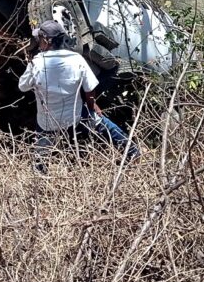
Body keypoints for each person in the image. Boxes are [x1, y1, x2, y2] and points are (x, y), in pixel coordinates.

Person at [18, 20, 140, 173]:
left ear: (45, 41)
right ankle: (131, 151)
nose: (38, 43)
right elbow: (90, 90)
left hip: (48, 123)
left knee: (41, 150)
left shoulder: (36, 64)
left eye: (39, 39)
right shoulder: (76, 59)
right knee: (102, 122)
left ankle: (40, 172)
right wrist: (91, 106)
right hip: (74, 118)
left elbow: (22, 87)